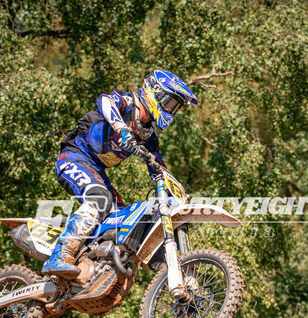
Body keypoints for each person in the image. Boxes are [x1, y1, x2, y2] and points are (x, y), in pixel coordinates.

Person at [42, 70, 198, 278]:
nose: (171, 110)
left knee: (122, 221)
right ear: (155, 93)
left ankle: (93, 268)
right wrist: (122, 129)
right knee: (100, 199)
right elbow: (105, 101)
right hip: (73, 157)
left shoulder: (149, 136)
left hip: (96, 171)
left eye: (175, 107)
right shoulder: (127, 103)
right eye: (170, 103)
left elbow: (159, 169)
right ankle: (60, 255)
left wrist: (178, 193)